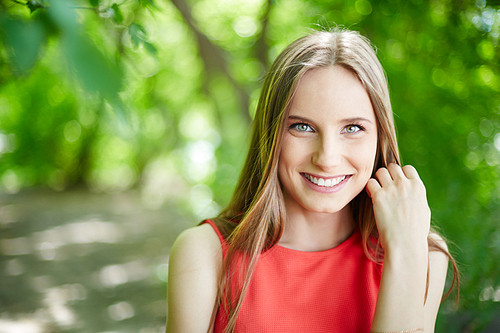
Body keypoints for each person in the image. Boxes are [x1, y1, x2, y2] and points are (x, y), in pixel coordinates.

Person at [166, 29, 459, 333]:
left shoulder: (423, 254)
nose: (327, 158)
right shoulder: (205, 254)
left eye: (353, 128)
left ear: (380, 139)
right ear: (272, 136)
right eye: (303, 127)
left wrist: (405, 253)